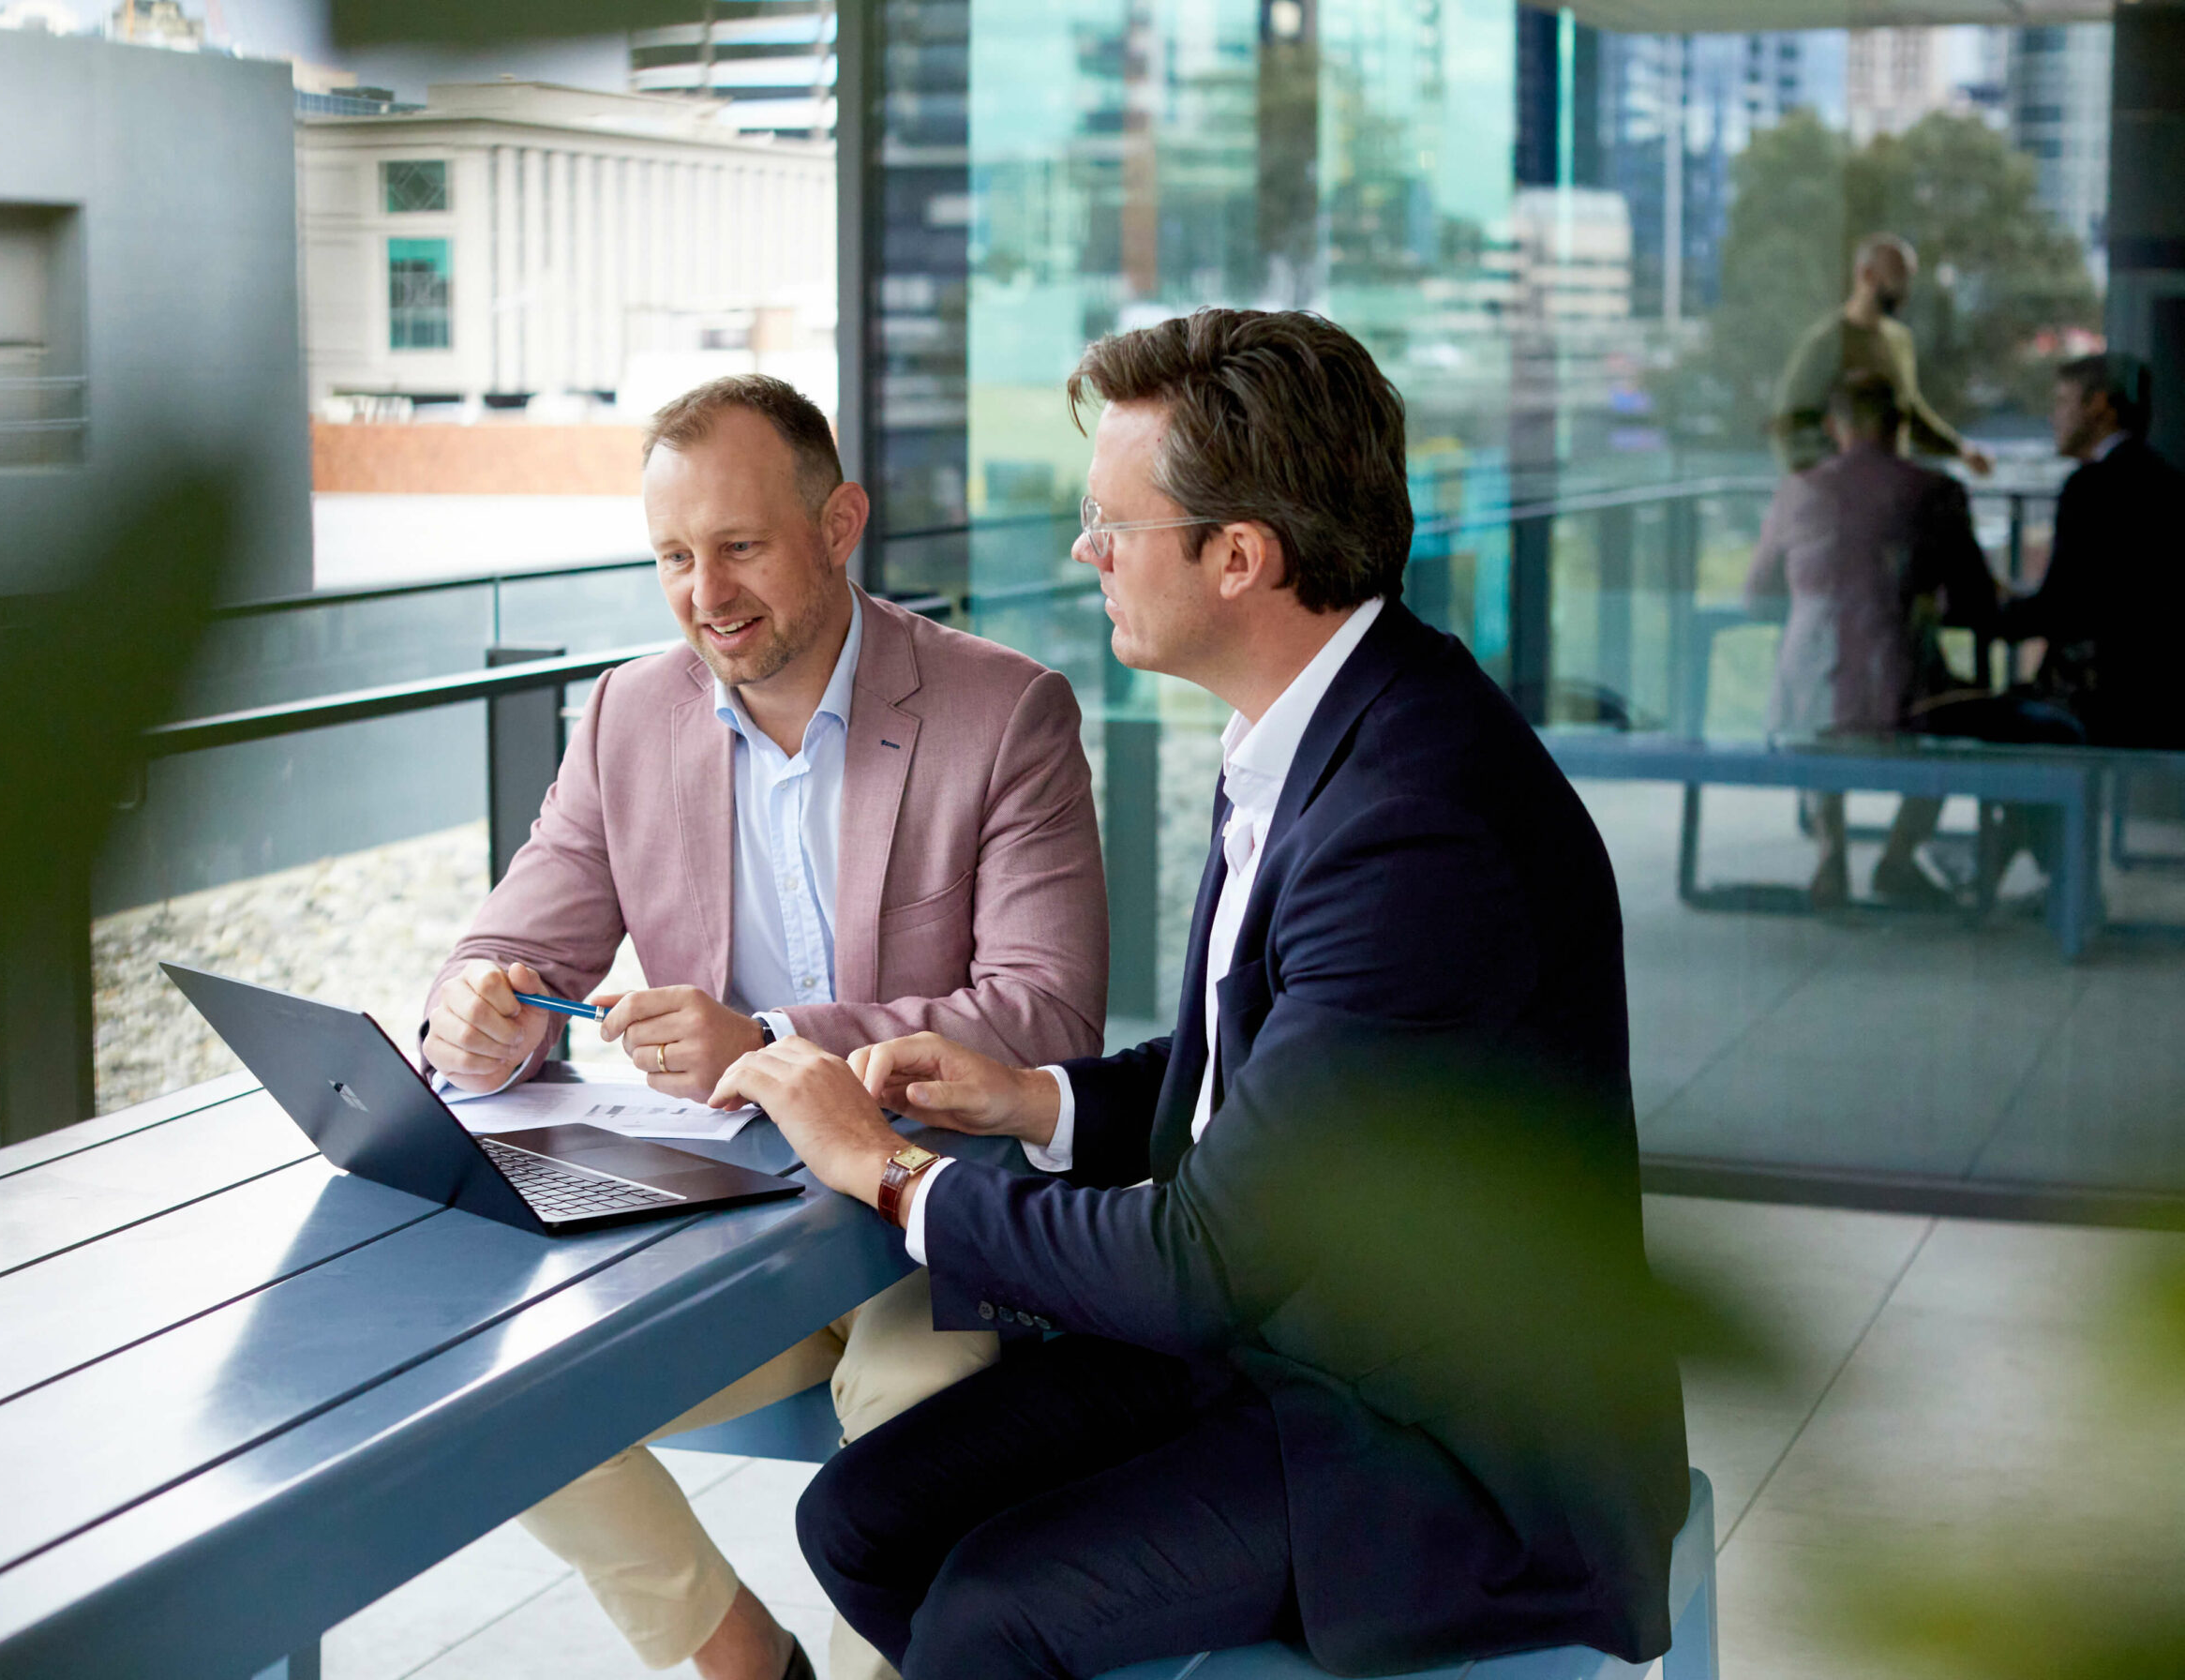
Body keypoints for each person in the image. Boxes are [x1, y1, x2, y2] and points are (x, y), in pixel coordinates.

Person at [710, 310, 1689, 1680]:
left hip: (1438, 1433)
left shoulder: (1419, 823)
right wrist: (1035, 1097)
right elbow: (1271, 1063)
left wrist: (888, 1175)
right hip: (1292, 1329)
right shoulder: (1325, 725)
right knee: (864, 1519)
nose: (1085, 550)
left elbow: (1198, 1266)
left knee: (996, 1609)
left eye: (1113, 521)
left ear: (1240, 556)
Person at [420, 374, 1109, 1680]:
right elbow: (513, 943)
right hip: (717, 1220)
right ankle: (741, 1658)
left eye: (738, 546)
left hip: (936, 1210)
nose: (704, 594)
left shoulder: (1006, 710)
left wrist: (769, 1044)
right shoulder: (629, 714)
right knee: (493, 1387)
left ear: (839, 524)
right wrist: (477, 1011)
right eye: (673, 557)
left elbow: (1047, 1012)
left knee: (912, 1428)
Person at [1746, 372, 2001, 910]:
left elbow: (1755, 594)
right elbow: (1976, 598)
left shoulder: (1801, 489)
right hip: (1904, 692)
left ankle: (1830, 853)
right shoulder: (1936, 491)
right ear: (1899, 425)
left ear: (1837, 427)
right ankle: (1899, 857)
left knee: (1817, 703)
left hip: (1807, 692)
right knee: (1953, 718)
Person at [1998, 352, 2185, 751]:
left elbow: (2062, 608)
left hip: (2098, 703)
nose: (2054, 418)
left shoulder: (2089, 487)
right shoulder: (2170, 483)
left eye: (2062, 402)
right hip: (2162, 697)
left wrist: (1994, 611)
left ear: (2099, 406)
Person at [1773, 232, 1995, 477]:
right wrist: (1820, 485)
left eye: (1907, 279)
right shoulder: (1827, 344)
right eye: (1897, 278)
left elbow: (1910, 412)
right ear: (1867, 275)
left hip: (1890, 488)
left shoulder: (1899, 340)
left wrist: (1961, 451)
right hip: (1843, 494)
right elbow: (1791, 424)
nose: (1904, 291)